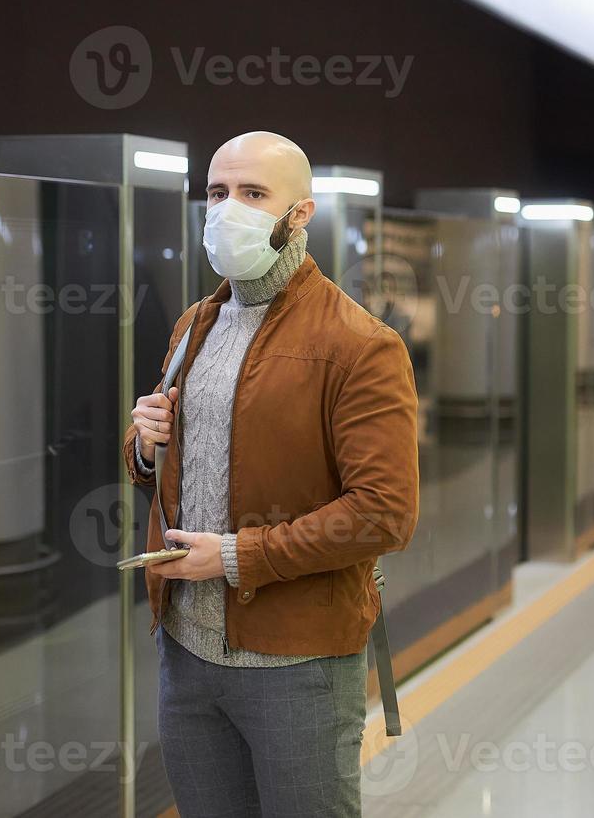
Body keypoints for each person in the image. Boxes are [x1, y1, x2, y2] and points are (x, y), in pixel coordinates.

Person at [122, 131, 419, 817]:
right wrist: (143, 447)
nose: (230, 209)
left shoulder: (360, 345)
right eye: (217, 193)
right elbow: (169, 471)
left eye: (254, 194)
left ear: (300, 214)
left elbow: (384, 511)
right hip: (187, 650)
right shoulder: (194, 325)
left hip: (299, 662)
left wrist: (233, 556)